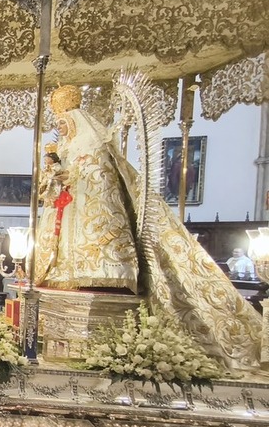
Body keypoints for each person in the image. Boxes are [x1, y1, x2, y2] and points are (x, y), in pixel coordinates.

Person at [32, 83, 260, 370]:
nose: (60, 129)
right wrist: (55, 175)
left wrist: (72, 176)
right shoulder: (66, 148)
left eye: (62, 123)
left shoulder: (94, 147)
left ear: (74, 120)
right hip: (69, 219)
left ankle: (99, 269)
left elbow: (100, 182)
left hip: (97, 221)